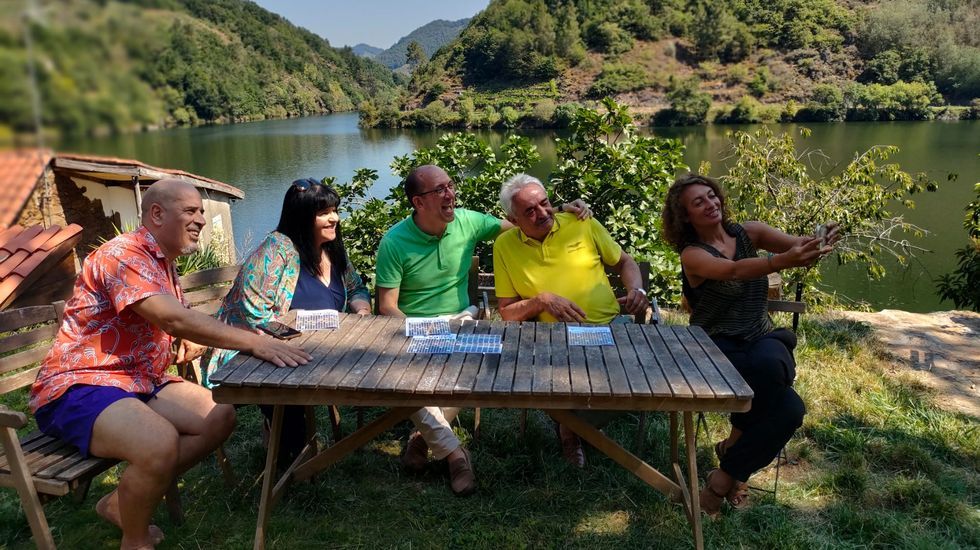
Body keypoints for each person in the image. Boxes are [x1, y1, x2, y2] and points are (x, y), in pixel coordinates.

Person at [29, 179, 311, 550]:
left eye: (202, 212)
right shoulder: (124, 254)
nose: (201, 220)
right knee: (158, 442)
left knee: (219, 415)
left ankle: (120, 500)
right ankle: (135, 540)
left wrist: (187, 335)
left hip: (138, 380)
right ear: (157, 214)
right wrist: (256, 341)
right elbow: (170, 317)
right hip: (79, 386)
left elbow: (174, 318)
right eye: (191, 211)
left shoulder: (161, 261)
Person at [375, 164, 591, 496]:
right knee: (407, 381)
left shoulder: (468, 221)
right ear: (419, 202)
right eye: (440, 190)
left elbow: (522, 221)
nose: (451, 194)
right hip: (415, 329)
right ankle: (456, 455)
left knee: (475, 372)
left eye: (450, 186)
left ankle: (424, 436)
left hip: (463, 322)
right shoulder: (394, 242)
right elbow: (387, 306)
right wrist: (416, 330)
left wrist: (559, 209)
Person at [660, 173, 840, 516]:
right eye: (699, 202)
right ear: (685, 216)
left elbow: (797, 247)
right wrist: (779, 262)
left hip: (759, 336)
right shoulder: (692, 255)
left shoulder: (750, 232)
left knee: (772, 371)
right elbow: (734, 271)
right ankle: (732, 473)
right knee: (788, 407)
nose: (710, 204)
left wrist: (819, 241)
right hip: (714, 345)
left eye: (712, 196)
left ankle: (721, 479)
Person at [202, 178, 372, 466]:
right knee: (290, 404)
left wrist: (362, 310)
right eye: (324, 213)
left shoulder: (333, 250)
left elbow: (356, 288)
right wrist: (296, 337)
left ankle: (310, 456)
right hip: (260, 349)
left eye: (334, 210)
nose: (334, 218)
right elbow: (253, 314)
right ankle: (289, 469)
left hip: (326, 346)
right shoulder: (276, 249)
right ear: (302, 217)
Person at [492, 173, 649, 467]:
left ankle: (569, 425)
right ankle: (574, 430)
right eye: (529, 211)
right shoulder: (504, 246)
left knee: (641, 378)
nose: (542, 214)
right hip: (553, 339)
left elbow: (624, 262)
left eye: (544, 203)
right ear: (514, 221)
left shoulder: (581, 222)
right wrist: (541, 300)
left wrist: (636, 289)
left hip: (610, 327)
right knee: (552, 380)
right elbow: (507, 313)